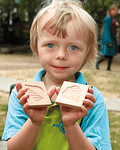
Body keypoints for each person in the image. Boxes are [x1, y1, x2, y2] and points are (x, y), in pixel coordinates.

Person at [2, 0, 111, 149]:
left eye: (73, 47)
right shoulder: (22, 94)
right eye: (51, 45)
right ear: (36, 48)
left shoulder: (91, 100)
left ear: (86, 55)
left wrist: (71, 124)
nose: (61, 55)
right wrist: (34, 122)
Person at [96, 4, 118, 71]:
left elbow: (113, 29)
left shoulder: (112, 19)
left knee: (111, 54)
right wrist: (109, 41)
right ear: (111, 10)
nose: (116, 12)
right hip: (108, 39)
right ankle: (97, 63)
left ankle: (108, 68)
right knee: (106, 54)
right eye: (115, 10)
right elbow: (107, 31)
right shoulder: (107, 19)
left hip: (112, 38)